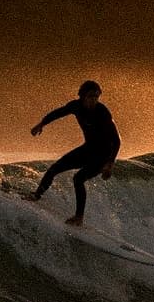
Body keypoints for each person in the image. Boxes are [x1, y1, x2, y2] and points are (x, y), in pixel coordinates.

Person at [25, 80, 121, 225]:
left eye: (96, 96)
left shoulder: (102, 112)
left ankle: (79, 217)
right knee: (54, 168)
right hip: (88, 149)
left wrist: (110, 163)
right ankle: (36, 196)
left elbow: (117, 140)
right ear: (82, 96)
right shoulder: (76, 106)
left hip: (103, 154)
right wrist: (41, 124)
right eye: (90, 96)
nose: (94, 100)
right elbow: (58, 113)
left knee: (78, 179)